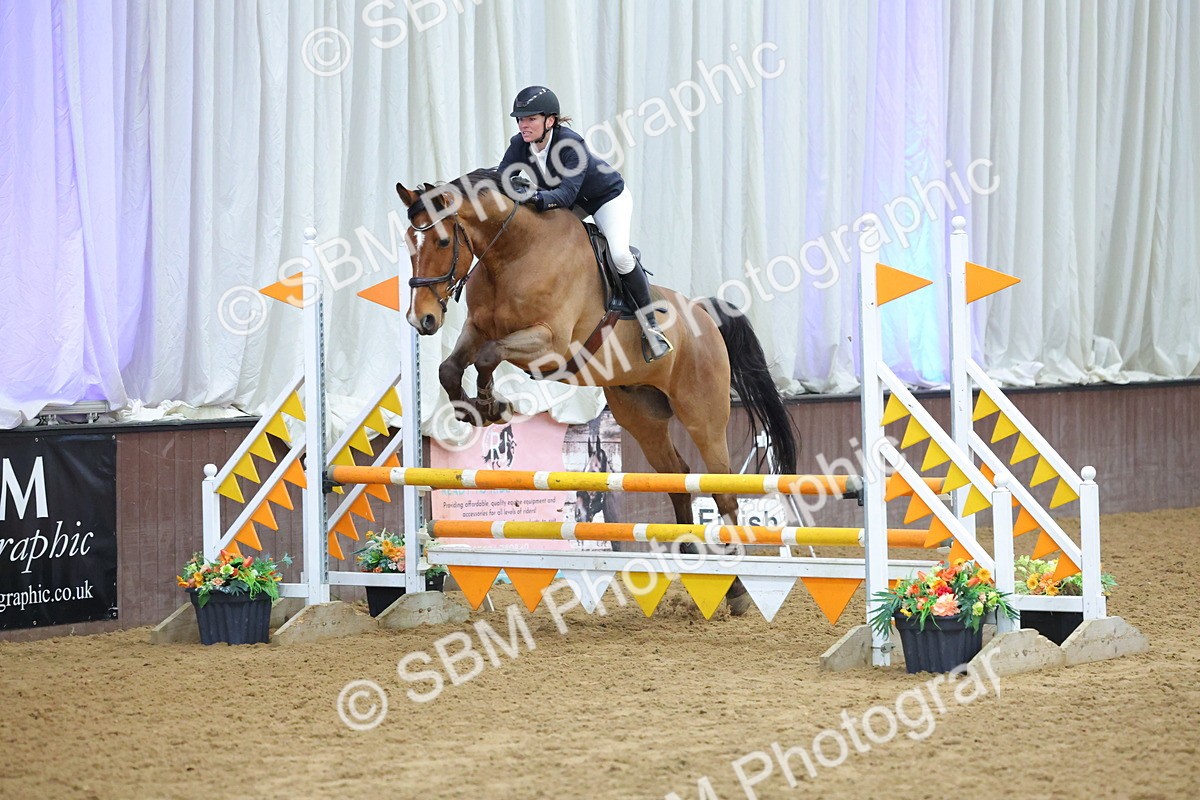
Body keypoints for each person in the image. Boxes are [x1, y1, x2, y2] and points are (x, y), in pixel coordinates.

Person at [497, 85, 673, 361]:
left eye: (530, 118)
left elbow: (566, 196)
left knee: (619, 255)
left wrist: (532, 194)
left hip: (605, 198)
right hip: (569, 200)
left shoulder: (570, 145)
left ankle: (651, 326)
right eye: (520, 119)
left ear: (550, 120)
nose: (523, 124)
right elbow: (501, 180)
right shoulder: (519, 145)